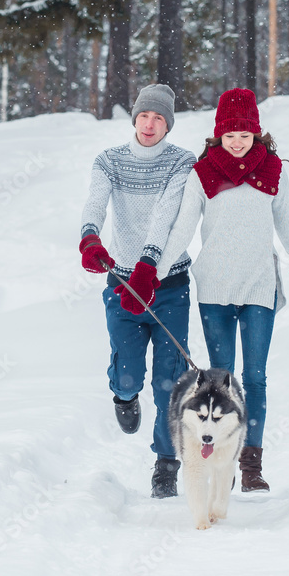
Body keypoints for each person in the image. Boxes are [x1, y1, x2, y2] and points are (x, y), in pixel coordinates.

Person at [154, 87, 289, 492]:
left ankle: (251, 466)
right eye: (229, 134)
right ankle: (224, 460)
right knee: (222, 381)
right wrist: (154, 273)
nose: (237, 142)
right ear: (218, 134)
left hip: (258, 286)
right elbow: (182, 230)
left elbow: (288, 225)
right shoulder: (202, 174)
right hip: (214, 288)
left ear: (256, 133)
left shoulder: (272, 172)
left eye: (244, 134)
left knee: (256, 378)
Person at [78, 84, 196, 498]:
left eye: (159, 118)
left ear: (168, 124)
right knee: (129, 374)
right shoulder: (109, 161)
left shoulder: (182, 162)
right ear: (134, 118)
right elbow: (95, 202)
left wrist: (149, 262)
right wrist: (90, 236)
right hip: (123, 285)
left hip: (168, 286)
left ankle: (166, 464)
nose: (150, 124)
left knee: (169, 381)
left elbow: (167, 216)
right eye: (144, 116)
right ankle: (123, 395)